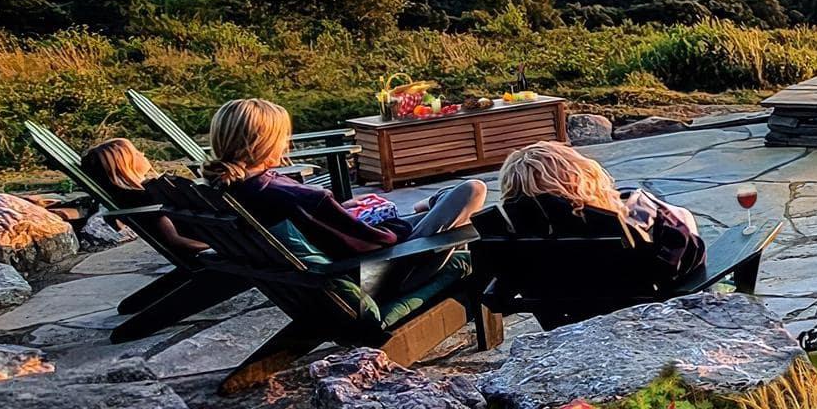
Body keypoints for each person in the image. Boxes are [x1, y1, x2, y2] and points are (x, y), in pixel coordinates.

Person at [199, 98, 484, 261]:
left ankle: (430, 205)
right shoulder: (294, 196)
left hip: (343, 248)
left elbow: (320, 225)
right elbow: (375, 242)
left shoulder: (226, 189)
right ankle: (431, 205)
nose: (286, 143)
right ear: (265, 143)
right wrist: (388, 224)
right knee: (472, 190)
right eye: (283, 137)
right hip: (386, 261)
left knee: (448, 201)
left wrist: (343, 209)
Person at [495, 140, 705, 289]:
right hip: (635, 307)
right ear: (581, 176)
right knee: (681, 215)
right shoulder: (608, 226)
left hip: (566, 310)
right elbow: (680, 259)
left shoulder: (514, 234)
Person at [78, 138, 207, 253]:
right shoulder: (148, 197)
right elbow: (175, 240)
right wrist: (212, 248)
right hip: (212, 244)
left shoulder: (128, 198)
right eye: (136, 152)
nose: (142, 154)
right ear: (125, 164)